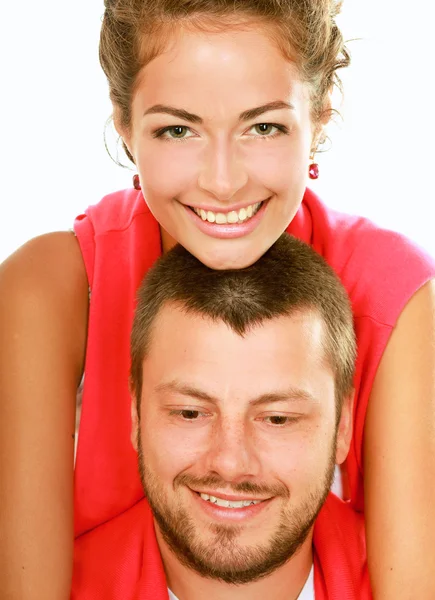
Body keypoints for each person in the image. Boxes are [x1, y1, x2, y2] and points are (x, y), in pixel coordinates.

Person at [1, 0, 434, 598]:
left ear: (321, 117)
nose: (223, 181)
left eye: (264, 127)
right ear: (125, 127)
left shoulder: (396, 292)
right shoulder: (48, 287)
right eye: (177, 129)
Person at [72, 234, 371, 599]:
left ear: (342, 426)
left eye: (277, 418)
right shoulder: (47, 585)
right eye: (190, 412)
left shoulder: (413, 577)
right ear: (135, 415)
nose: (230, 464)